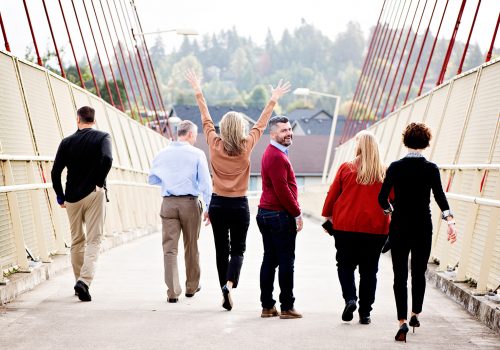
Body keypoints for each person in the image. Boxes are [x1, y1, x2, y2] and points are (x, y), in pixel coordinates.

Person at [185, 69, 290, 311]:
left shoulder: (214, 143)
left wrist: (198, 91)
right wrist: (273, 98)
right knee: (238, 249)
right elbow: (263, 124)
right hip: (239, 204)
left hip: (218, 204)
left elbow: (205, 119)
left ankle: (224, 286)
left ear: (223, 128)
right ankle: (230, 285)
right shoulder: (246, 145)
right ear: (241, 127)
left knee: (221, 250)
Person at [378, 122, 457, 342]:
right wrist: (450, 221)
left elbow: (382, 198)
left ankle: (401, 321)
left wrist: (390, 212)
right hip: (423, 225)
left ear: (405, 141)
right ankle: (415, 314)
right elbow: (440, 197)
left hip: (400, 225)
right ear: (426, 142)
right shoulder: (430, 168)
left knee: (399, 275)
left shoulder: (394, 167)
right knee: (418, 272)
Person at [321, 130, 390, 325]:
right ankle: (365, 313)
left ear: (358, 147)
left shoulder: (346, 168)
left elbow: (332, 195)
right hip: (375, 228)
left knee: (345, 265)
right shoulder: (384, 172)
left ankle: (350, 299)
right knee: (369, 271)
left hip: (346, 226)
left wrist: (328, 216)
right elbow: (392, 201)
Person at [51, 106, 113, 302]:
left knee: (77, 240)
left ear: (78, 120)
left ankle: (79, 281)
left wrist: (61, 196)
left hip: (72, 198)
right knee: (94, 239)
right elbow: (108, 158)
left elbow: (55, 172)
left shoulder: (66, 142)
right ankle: (84, 282)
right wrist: (98, 181)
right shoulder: (103, 137)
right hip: (94, 194)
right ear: (93, 121)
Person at [148, 120, 212, 303]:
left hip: (168, 203)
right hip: (190, 203)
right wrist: (209, 208)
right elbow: (206, 184)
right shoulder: (197, 154)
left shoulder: (162, 153)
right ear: (191, 134)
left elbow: (152, 179)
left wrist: (169, 181)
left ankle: (173, 291)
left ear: (178, 133)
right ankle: (191, 287)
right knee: (191, 246)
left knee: (169, 248)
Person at [256, 116, 304, 319]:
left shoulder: (274, 153)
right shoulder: (276, 155)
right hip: (277, 214)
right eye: (283, 130)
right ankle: (287, 307)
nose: (289, 133)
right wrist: (297, 213)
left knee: (270, 259)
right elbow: (282, 190)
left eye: (289, 129)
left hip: (267, 213)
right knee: (286, 262)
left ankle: (267, 306)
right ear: (273, 134)